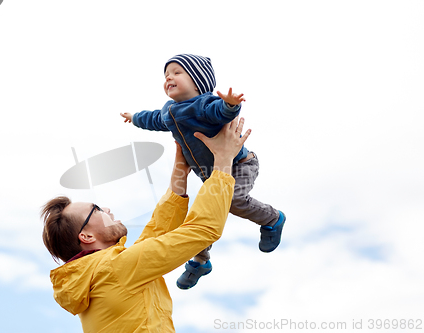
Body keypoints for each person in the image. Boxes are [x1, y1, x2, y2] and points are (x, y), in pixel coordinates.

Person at [41, 118, 251, 333]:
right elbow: (203, 229)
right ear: (86, 236)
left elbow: (158, 232)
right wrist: (223, 158)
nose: (107, 210)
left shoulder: (100, 274)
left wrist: (181, 166)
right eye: (97, 210)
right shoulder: (114, 269)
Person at [120, 53, 286, 289]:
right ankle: (200, 261)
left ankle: (272, 218)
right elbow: (153, 119)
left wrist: (230, 104)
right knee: (202, 213)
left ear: (198, 82)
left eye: (177, 73)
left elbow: (219, 111)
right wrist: (135, 118)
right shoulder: (169, 111)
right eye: (166, 75)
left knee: (234, 201)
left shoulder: (204, 104)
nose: (169, 78)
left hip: (240, 165)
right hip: (213, 174)